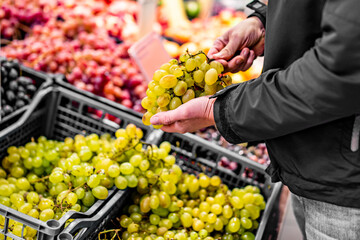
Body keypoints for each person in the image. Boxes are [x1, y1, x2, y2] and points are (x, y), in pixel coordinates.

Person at [150, 0, 360, 239]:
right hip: (312, 162)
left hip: (346, 186)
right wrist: (263, 21)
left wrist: (221, 110)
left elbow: (339, 71)